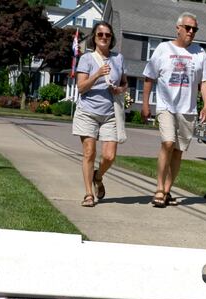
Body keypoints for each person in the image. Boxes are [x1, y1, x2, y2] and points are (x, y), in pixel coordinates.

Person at [142, 12, 206, 207]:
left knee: (179, 151)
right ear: (178, 28)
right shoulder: (163, 49)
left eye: (194, 29)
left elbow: (205, 81)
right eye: (188, 28)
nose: (191, 32)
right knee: (168, 142)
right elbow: (149, 77)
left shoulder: (200, 53)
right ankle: (158, 189)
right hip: (166, 106)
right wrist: (146, 104)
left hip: (187, 109)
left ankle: (166, 190)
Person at [72, 21, 128, 207]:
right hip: (88, 112)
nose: (104, 37)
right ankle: (89, 194)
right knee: (89, 152)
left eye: (107, 35)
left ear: (112, 38)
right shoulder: (86, 59)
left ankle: (98, 175)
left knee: (109, 156)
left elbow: (125, 83)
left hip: (110, 113)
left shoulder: (118, 58)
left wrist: (120, 89)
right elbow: (81, 88)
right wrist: (96, 75)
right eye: (100, 34)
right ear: (94, 38)